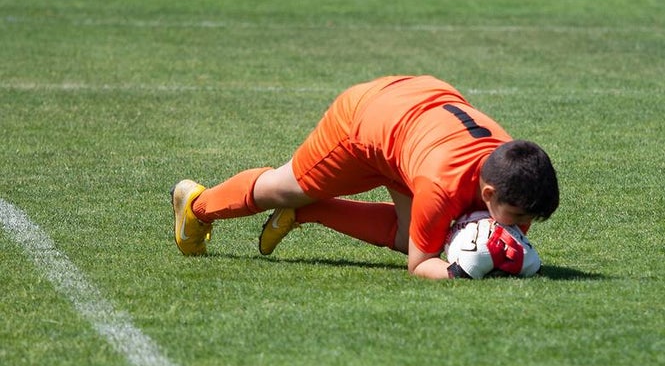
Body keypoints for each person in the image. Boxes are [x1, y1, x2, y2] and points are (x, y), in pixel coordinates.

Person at [171, 75, 560, 281]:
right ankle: (197, 205)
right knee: (284, 188)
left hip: (414, 114)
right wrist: (460, 272)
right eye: (518, 216)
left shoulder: (509, 165)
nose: (521, 226)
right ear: (488, 192)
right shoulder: (441, 186)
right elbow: (420, 263)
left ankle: (307, 212)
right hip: (363, 122)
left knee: (409, 234)